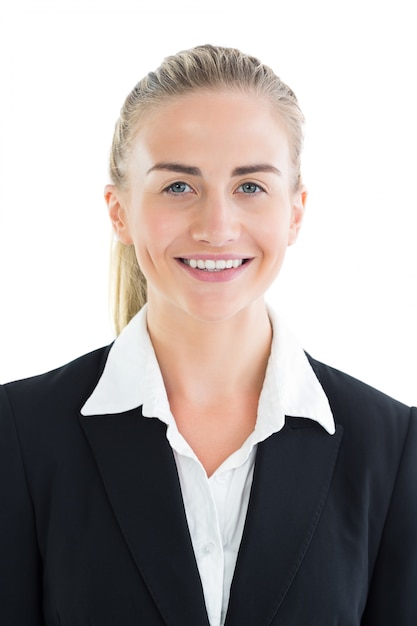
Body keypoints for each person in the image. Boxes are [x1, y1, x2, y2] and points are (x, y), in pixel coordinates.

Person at [0, 44, 416, 626]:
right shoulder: (20, 435)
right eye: (177, 186)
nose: (217, 227)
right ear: (118, 211)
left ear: (295, 212)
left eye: (250, 187)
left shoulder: (392, 449)